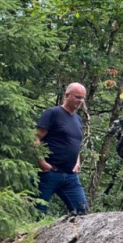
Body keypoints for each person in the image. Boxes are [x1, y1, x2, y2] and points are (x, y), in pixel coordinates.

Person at [34, 83, 89, 215]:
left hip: (71, 176)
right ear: (67, 95)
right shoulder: (53, 113)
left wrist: (77, 163)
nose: (80, 101)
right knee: (37, 211)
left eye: (82, 98)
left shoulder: (77, 119)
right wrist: (42, 163)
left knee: (82, 211)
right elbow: (35, 138)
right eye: (77, 97)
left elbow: (75, 143)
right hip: (49, 172)